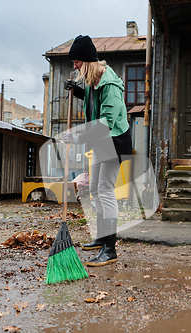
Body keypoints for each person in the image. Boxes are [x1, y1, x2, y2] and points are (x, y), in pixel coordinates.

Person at [62, 35, 132, 267]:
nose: (74, 66)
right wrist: (78, 91)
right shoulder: (94, 80)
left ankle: (109, 249)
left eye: (77, 62)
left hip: (114, 141)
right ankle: (102, 237)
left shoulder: (109, 84)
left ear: (88, 61)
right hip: (101, 142)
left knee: (105, 190)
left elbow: (106, 123)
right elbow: (94, 101)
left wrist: (78, 137)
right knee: (94, 188)